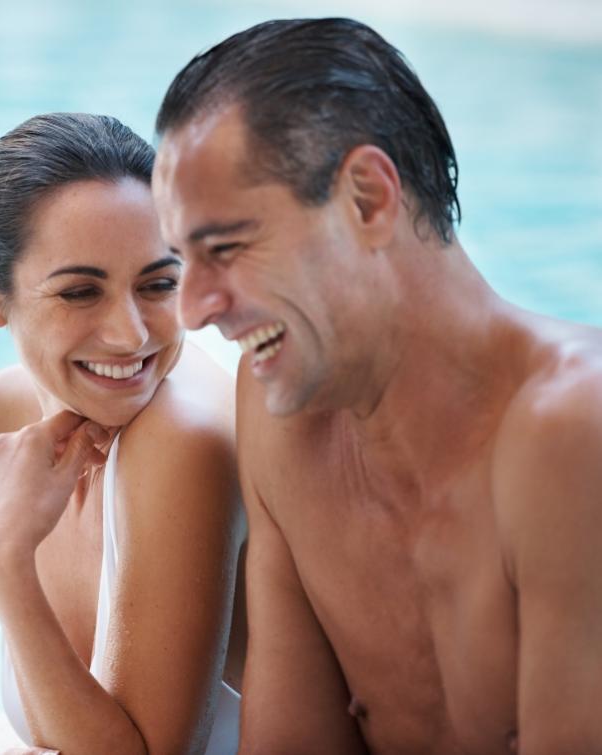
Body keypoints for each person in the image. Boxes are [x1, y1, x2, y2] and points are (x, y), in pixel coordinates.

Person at [151, 17, 602, 755]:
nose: (193, 307)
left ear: (366, 198)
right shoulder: (281, 421)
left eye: (226, 247)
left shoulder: (572, 430)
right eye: (182, 261)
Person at [0, 113, 245, 755]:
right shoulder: (6, 413)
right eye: (80, 292)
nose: (131, 334)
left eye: (158, 284)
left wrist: (7, 565)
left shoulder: (185, 438)